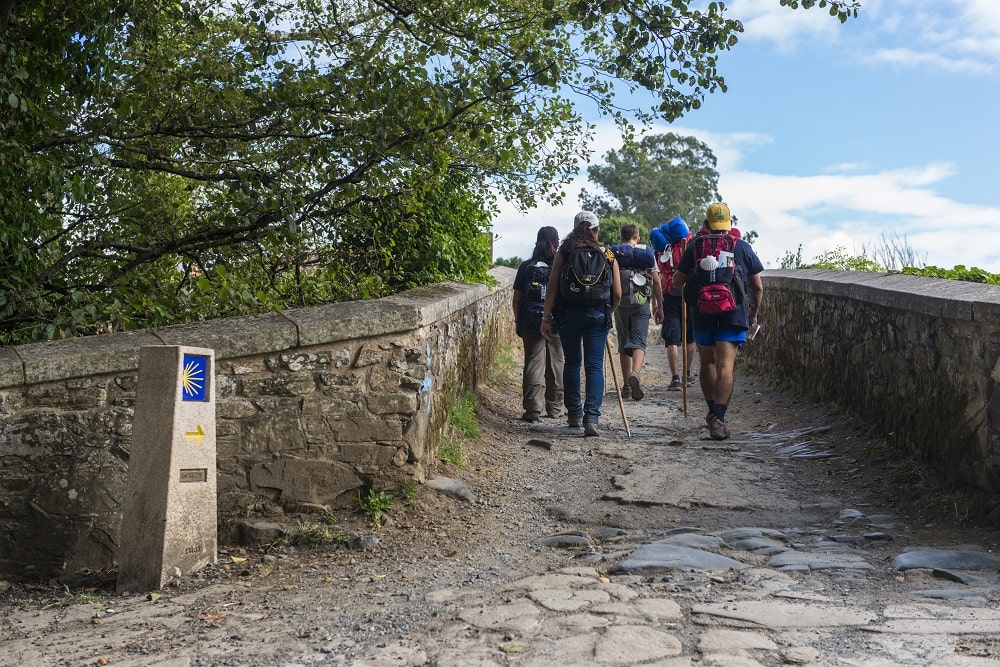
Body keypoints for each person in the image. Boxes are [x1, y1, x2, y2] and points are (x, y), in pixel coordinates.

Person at [672, 203, 763, 440]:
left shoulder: (694, 246)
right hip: (733, 314)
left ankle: (712, 412)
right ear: (729, 224)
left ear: (707, 223)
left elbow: (677, 282)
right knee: (726, 366)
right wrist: (753, 312)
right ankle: (720, 420)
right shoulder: (741, 246)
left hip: (702, 313)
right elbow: (758, 286)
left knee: (708, 364)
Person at [541, 211, 621, 437]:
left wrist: (546, 318)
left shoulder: (565, 252)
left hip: (569, 316)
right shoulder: (608, 254)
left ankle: (574, 413)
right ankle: (592, 418)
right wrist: (608, 312)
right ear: (596, 230)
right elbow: (617, 293)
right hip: (598, 315)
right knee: (594, 366)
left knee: (572, 363)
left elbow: (553, 287)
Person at [512, 227, 565, 422]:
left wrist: (519, 321)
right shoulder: (560, 267)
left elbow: (516, 299)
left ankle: (533, 408)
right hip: (556, 320)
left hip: (530, 321)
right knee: (556, 363)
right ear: (557, 243)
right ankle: (555, 407)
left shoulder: (526, 267)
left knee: (534, 362)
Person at [611, 224, 661, 400]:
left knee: (624, 343)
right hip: (641, 302)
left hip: (620, 303)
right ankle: (636, 374)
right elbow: (656, 281)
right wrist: (658, 305)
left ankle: (625, 385)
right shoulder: (647, 253)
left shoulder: (614, 254)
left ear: (621, 238)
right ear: (637, 238)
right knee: (639, 342)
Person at [650, 217, 696, 391]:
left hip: (669, 296)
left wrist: (656, 303)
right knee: (689, 338)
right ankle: (688, 374)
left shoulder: (661, 251)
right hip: (689, 296)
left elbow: (656, 278)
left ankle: (675, 378)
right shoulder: (690, 247)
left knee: (672, 340)